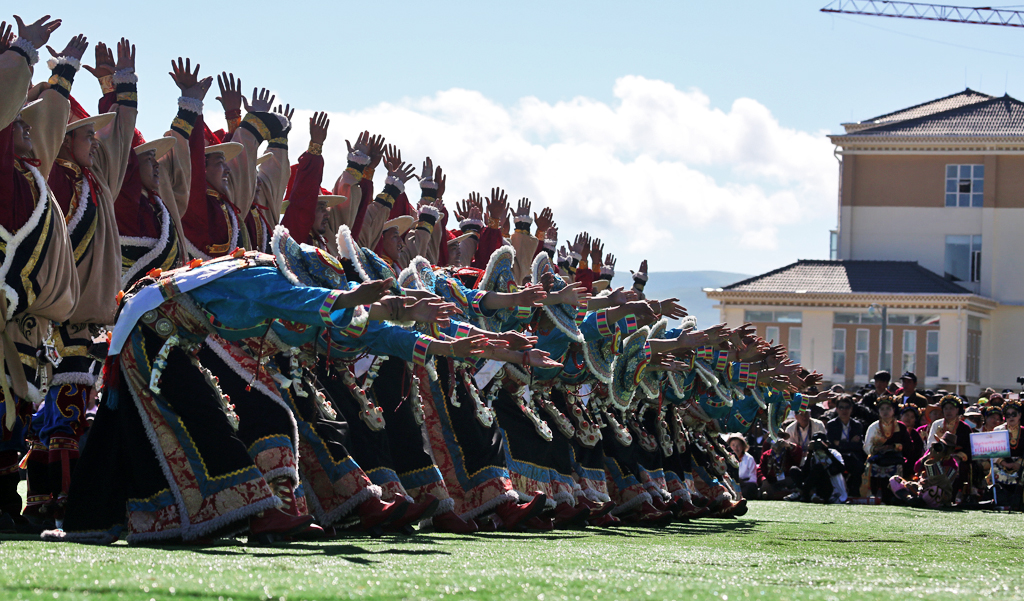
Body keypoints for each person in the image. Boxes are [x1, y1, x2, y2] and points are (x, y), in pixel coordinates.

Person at [863, 396, 912, 503]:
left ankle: (895, 496)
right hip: (877, 458)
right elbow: (867, 446)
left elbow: (908, 445)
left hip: (895, 458)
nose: (885, 411)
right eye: (882, 409)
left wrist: (894, 447)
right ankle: (873, 495)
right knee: (870, 466)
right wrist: (876, 449)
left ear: (893, 410)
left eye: (888, 408)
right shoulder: (874, 427)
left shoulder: (901, 426)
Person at [785, 433, 847, 504]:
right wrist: (810, 453)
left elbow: (841, 468)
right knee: (794, 469)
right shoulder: (812, 455)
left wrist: (826, 451)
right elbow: (805, 473)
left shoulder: (834, 453)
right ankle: (807, 493)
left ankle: (802, 492)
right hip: (816, 487)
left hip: (831, 487)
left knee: (818, 467)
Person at [826, 395, 866, 498]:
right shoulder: (831, 425)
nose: (844, 410)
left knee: (859, 467)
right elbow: (832, 445)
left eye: (847, 407)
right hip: (837, 457)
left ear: (851, 409)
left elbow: (858, 446)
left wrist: (840, 443)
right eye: (841, 407)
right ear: (837, 409)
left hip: (853, 456)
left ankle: (855, 494)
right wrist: (850, 443)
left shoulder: (857, 425)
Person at [992, 399, 1022, 509]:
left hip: (1020, 465)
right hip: (1001, 464)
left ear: (1020, 415)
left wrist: (1018, 464)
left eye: (1014, 414)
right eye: (1008, 415)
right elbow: (993, 451)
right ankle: (998, 501)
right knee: (993, 471)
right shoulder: (998, 430)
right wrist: (1004, 463)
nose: (1011, 417)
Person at [727, 434, 758, 500]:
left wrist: (742, 482)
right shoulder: (726, 458)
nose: (735, 448)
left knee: (751, 487)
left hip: (745, 485)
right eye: (733, 445)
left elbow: (753, 478)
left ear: (743, 447)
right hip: (730, 485)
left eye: (738, 445)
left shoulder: (749, 458)